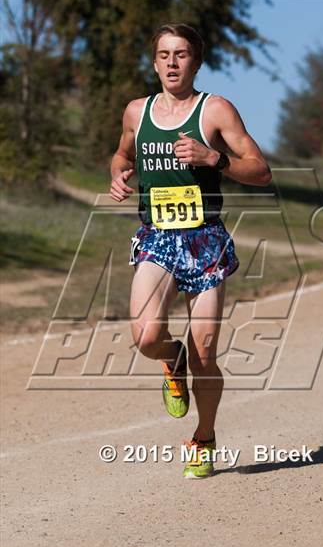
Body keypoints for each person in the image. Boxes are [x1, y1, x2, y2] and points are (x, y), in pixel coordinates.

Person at [110, 23, 271, 479]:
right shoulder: (136, 112)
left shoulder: (215, 109)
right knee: (145, 336)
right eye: (164, 55)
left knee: (206, 351)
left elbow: (261, 170)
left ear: (196, 61)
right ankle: (170, 358)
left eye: (181, 54)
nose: (172, 63)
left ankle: (203, 437)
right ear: (155, 61)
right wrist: (119, 175)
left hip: (204, 239)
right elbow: (121, 156)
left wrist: (213, 159)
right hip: (157, 237)